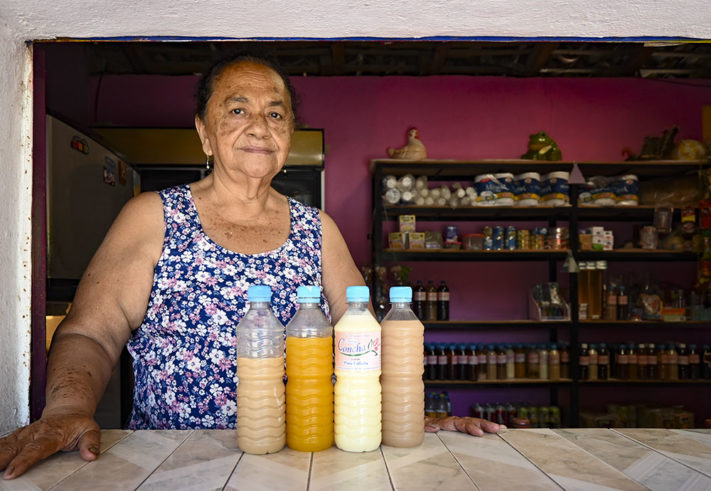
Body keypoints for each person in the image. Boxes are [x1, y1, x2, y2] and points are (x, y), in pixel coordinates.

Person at [0, 50, 503, 480]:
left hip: (302, 464)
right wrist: (67, 409)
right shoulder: (154, 216)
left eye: (276, 114)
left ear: (288, 134)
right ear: (204, 132)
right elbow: (92, 333)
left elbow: (366, 347)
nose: (260, 127)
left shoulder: (317, 229)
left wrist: (402, 416)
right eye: (237, 109)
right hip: (176, 463)